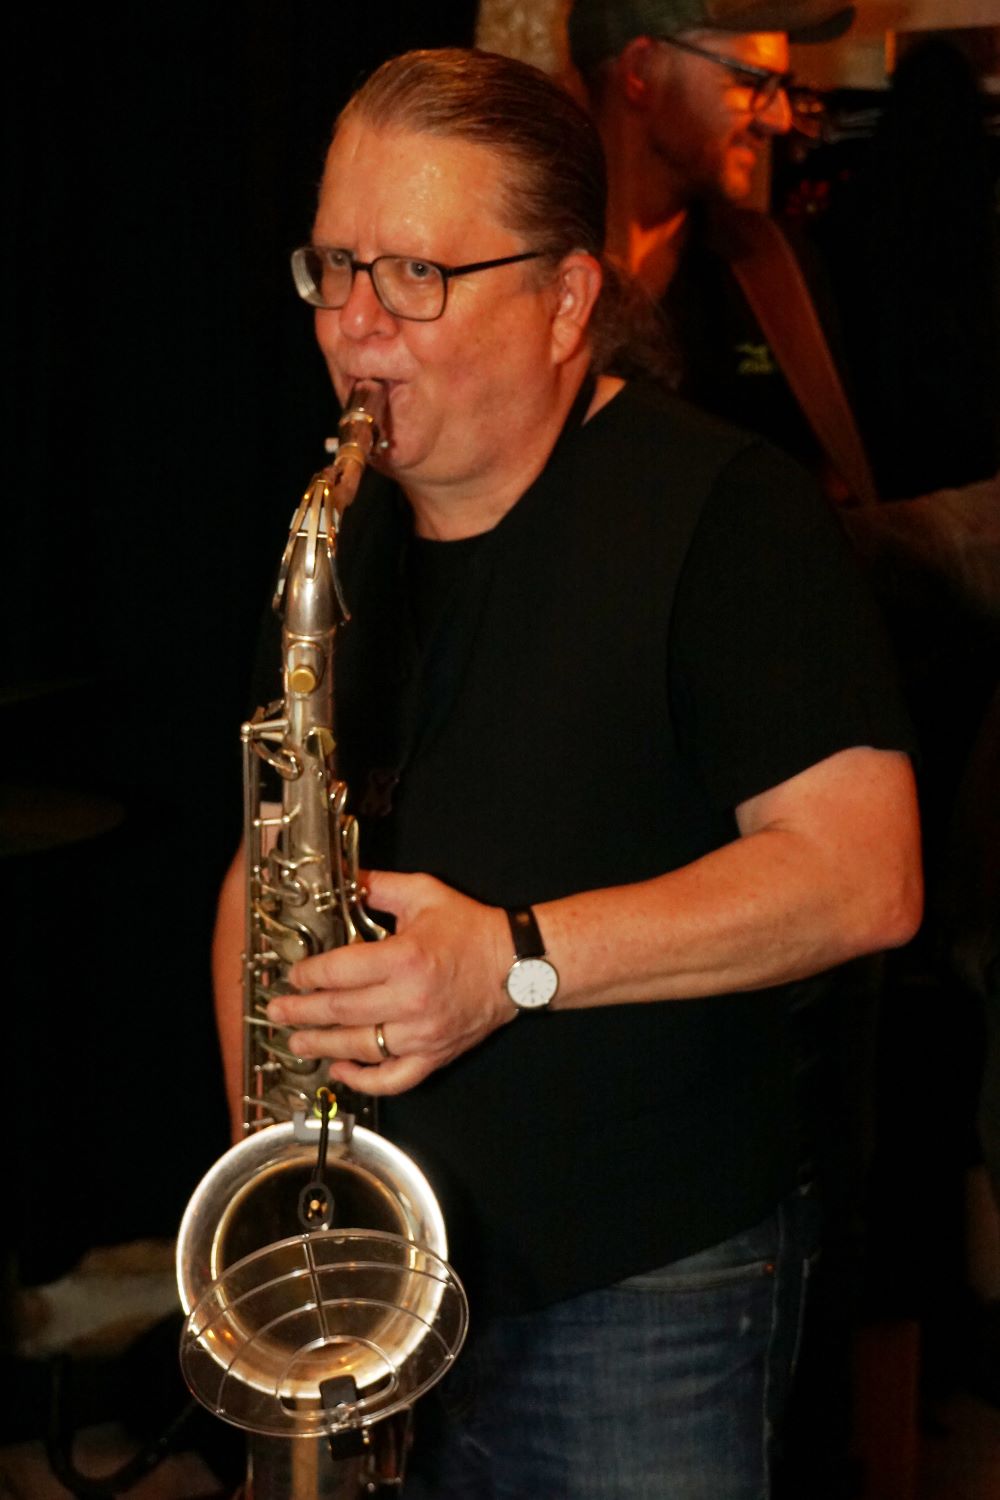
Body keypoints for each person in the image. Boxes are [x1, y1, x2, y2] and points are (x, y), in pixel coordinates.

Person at [212, 47, 921, 1499]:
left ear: (565, 301)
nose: (355, 326)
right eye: (334, 267)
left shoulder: (726, 516)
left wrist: (511, 962)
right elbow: (265, 864)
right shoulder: (342, 535)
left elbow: (867, 873)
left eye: (416, 274)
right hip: (377, 1274)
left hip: (643, 1286)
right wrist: (271, 1189)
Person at [566, 0, 862, 482]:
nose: (779, 119)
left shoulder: (773, 269)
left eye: (782, 88)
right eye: (750, 81)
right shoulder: (517, 260)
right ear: (641, 70)